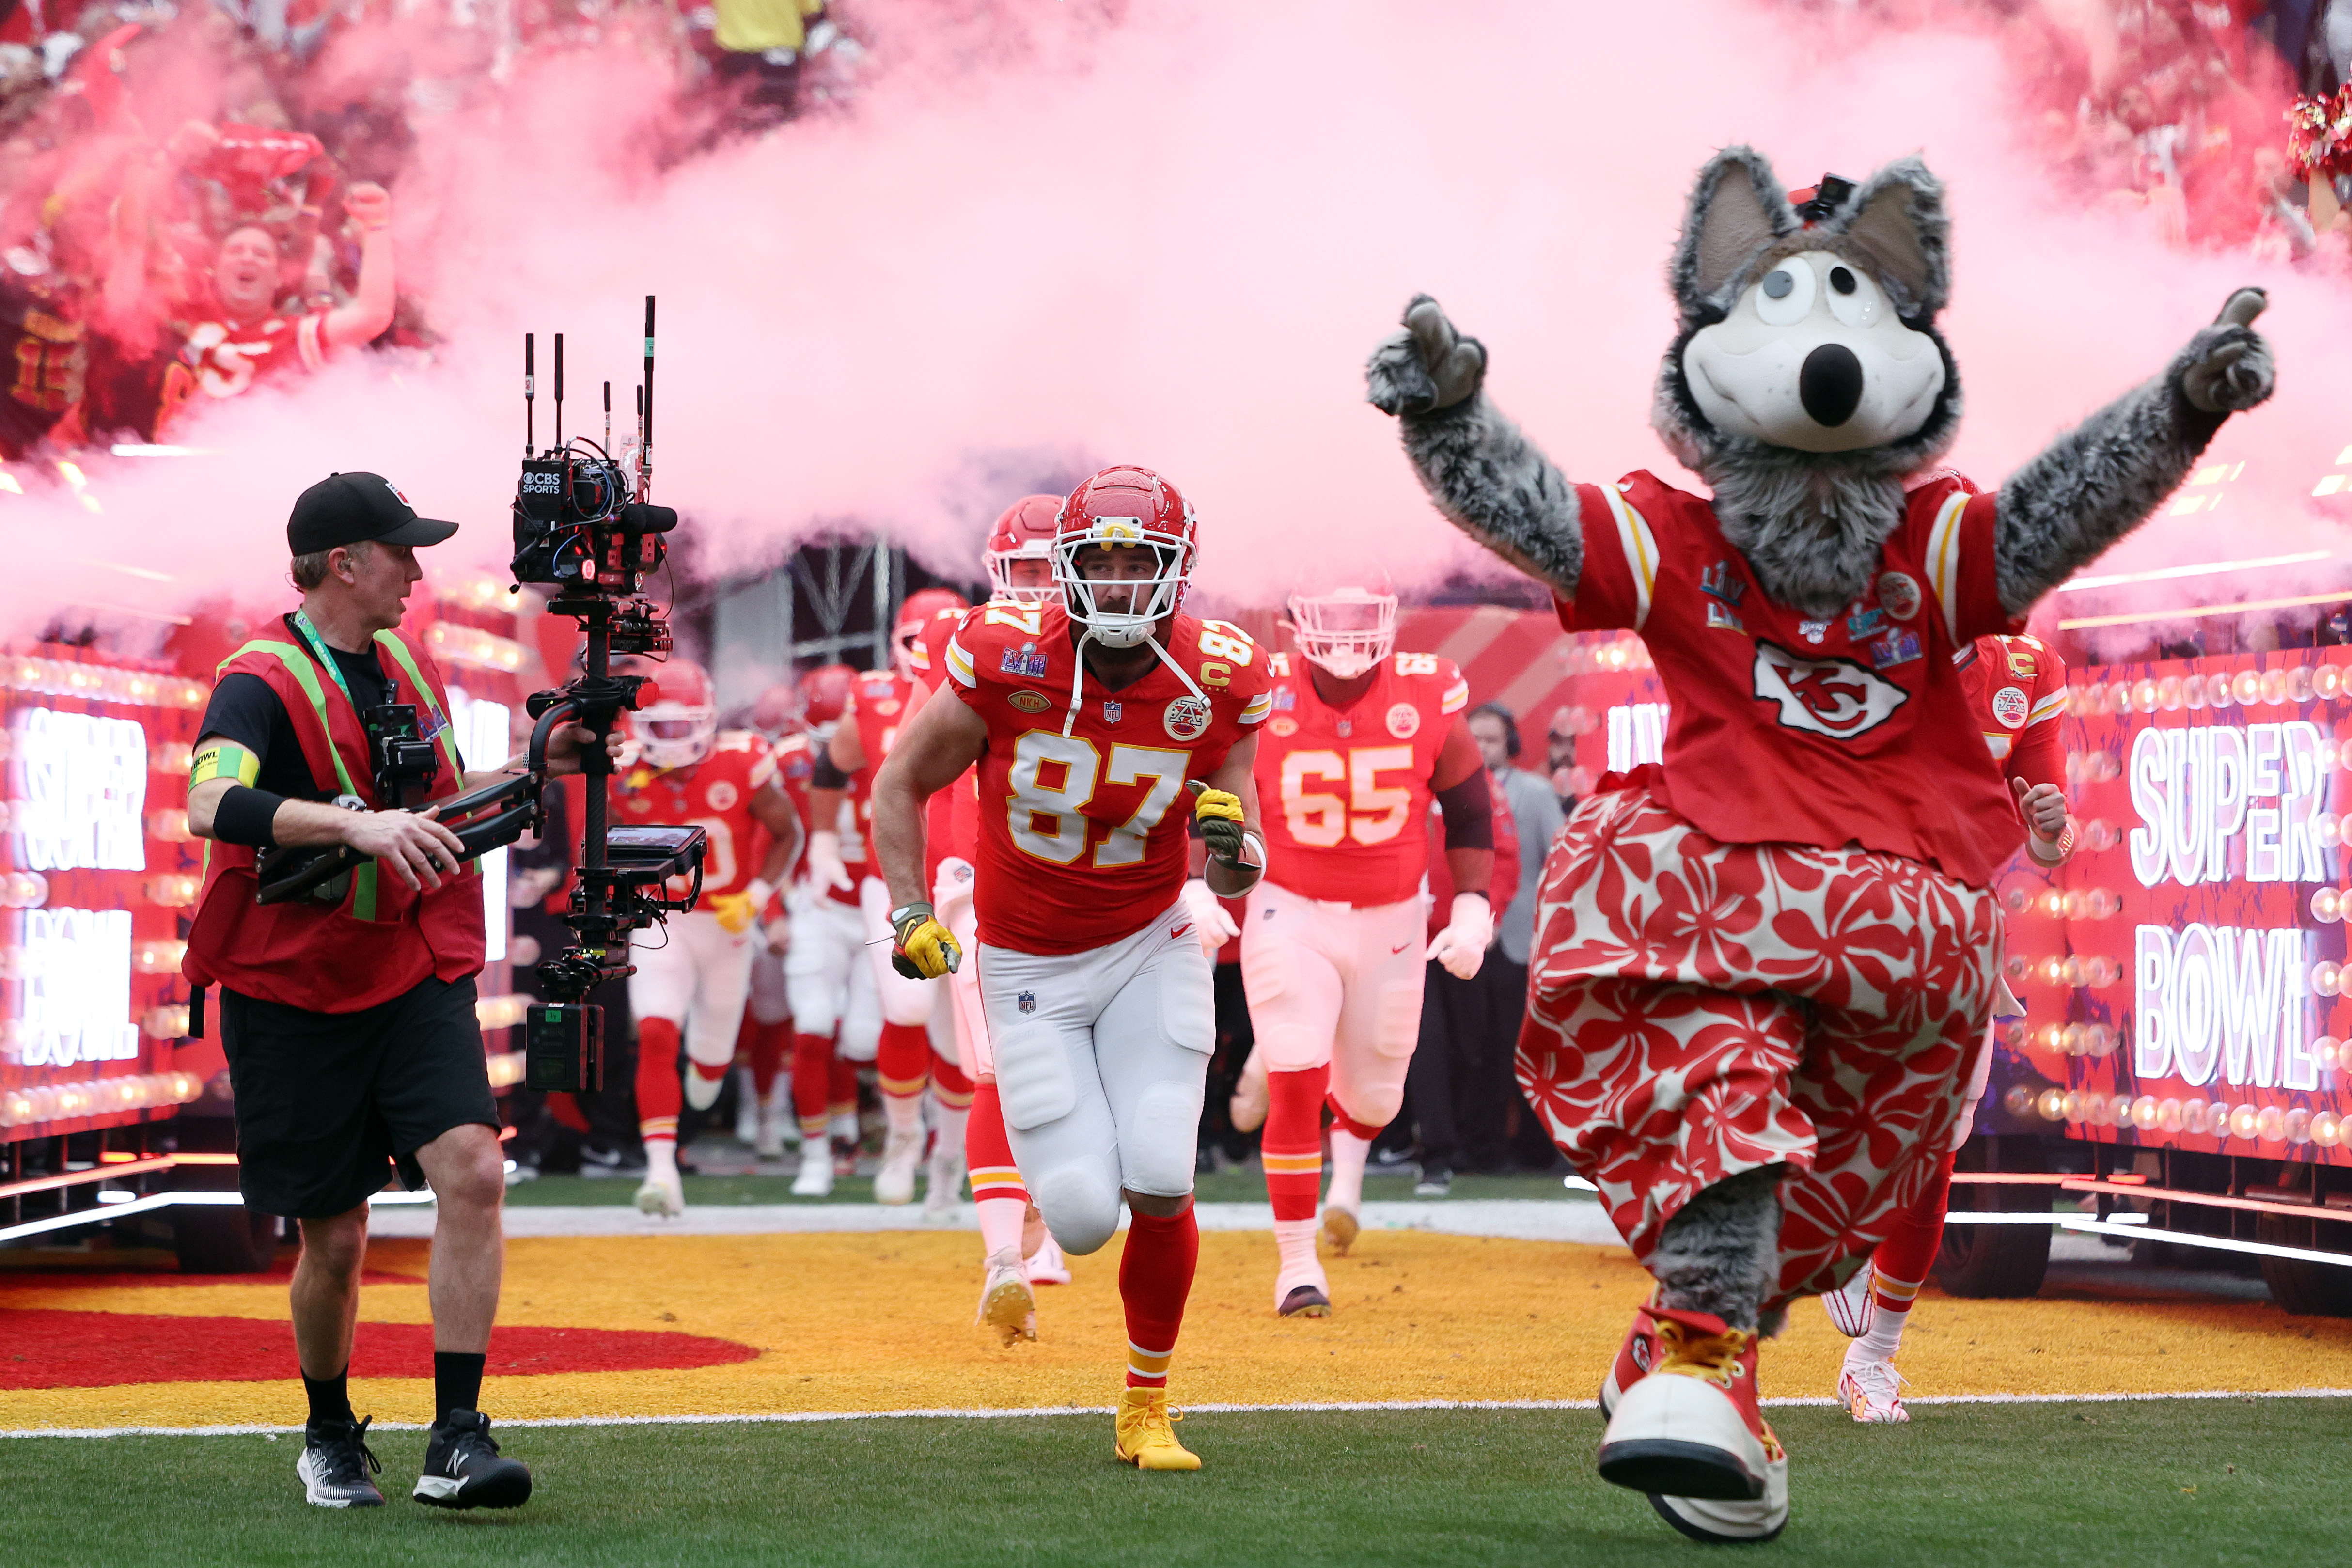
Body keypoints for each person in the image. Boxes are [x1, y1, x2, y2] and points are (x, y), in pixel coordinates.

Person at [183, 470, 614, 1510]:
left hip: (413, 971)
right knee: (334, 1238)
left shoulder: (405, 667)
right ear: (344, 563)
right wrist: (350, 822)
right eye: (401, 552)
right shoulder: (256, 677)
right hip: (290, 991)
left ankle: (457, 1438)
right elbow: (208, 800)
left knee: (474, 1170)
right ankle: (329, 1430)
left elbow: (434, 802)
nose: (418, 572)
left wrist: (536, 762)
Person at [869, 465, 1272, 1471]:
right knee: (1087, 1218)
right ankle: (1040, 1253)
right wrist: (911, 908)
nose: (1125, 581)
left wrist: (1232, 851)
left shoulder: (1221, 673)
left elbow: (1239, 855)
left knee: (1163, 1175)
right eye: (1103, 560)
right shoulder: (1004, 656)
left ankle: (1147, 1402)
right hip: (1029, 961)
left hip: (1150, 943)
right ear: (1067, 567)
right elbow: (898, 783)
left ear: (1178, 571)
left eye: (1144, 561)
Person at [1824, 630, 2073, 1421]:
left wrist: (2044, 825)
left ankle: (1871, 1361)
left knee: (1934, 1144)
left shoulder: (2025, 670)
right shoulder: (1839, 640)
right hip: (1835, 913)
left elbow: (2049, 839)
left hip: (1953, 929)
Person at [1236, 575, 1492, 1316]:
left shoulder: (1428, 689)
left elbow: (1467, 805)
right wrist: (1198, 883)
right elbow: (1213, 786)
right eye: (1331, 615)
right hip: (1293, 905)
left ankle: (1329, 1137)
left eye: (1360, 616)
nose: (1347, 634)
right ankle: (1295, 1264)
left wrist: (1472, 904)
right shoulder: (1263, 686)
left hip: (1393, 917)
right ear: (1296, 620)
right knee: (1295, 1070)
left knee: (1376, 1096)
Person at [921, 495, 1072, 1340]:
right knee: (992, 1069)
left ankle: (1044, 1222)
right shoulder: (963, 640)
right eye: (1026, 570)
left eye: (1056, 568)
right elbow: (911, 770)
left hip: (1095, 887)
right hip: (983, 878)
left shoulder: (1128, 650)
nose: (1042, 587)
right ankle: (1002, 1259)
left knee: (1077, 1072)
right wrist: (931, 881)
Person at [614, 657, 804, 1218]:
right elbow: (599, 847)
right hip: (664, 921)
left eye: (680, 724)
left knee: (712, 1061)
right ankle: (661, 1170)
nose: (669, 738)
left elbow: (788, 831)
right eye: (658, 725)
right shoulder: (623, 767)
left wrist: (759, 895)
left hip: (728, 924)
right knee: (655, 1031)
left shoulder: (741, 759)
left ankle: (710, 1071)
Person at [805, 588, 968, 1204]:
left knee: (959, 1033)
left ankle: (948, 1158)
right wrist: (823, 839)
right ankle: (903, 1139)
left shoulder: (994, 684)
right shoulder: (874, 696)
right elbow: (831, 765)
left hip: (965, 874)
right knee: (906, 1009)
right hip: (894, 875)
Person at [155, 181, 397, 433]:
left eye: (261, 254)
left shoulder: (297, 337)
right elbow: (132, 246)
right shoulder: (178, 321)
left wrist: (377, 225)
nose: (248, 258)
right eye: (236, 251)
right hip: (163, 469)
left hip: (256, 470)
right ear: (215, 270)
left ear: (279, 277)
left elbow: (373, 316)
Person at [1461, 703, 1563, 1170]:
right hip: (1467, 938)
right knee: (1472, 1049)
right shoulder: (1451, 790)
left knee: (1518, 1047)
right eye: (1474, 738)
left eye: (1492, 740)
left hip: (1521, 940)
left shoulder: (1537, 793)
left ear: (1512, 745)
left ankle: (1534, 1151)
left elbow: (1559, 863)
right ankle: (1479, 1148)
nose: (1482, 748)